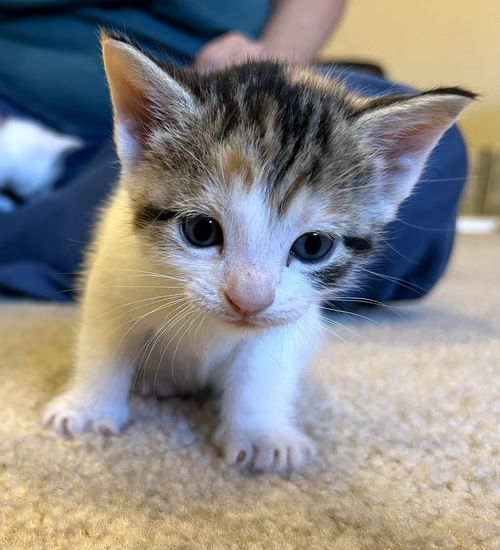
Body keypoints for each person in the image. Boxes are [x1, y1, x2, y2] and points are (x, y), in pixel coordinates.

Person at [0, 0, 468, 307]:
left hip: (220, 114)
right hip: (26, 98)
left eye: (312, 245)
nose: (250, 299)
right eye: (204, 231)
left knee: (437, 158)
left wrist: (274, 60)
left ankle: (31, 215)